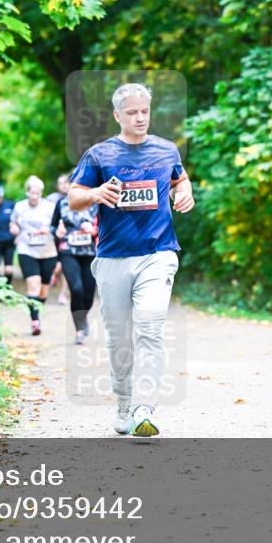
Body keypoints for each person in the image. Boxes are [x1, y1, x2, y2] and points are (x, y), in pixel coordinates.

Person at [69, 83, 195, 437]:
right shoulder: (99, 155)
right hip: (112, 258)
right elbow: (74, 197)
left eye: (145, 112)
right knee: (119, 338)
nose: (140, 118)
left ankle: (145, 407)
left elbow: (181, 180)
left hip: (158, 254)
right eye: (132, 113)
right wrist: (95, 193)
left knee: (151, 324)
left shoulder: (166, 150)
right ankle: (125, 401)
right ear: (117, 116)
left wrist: (184, 194)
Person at [10, 176, 58, 335]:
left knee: (44, 291)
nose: (35, 196)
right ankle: (35, 322)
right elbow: (13, 223)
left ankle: (37, 311)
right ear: (27, 192)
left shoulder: (50, 207)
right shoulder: (19, 207)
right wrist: (14, 228)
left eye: (38, 193)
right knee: (33, 285)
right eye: (32, 192)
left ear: (41, 193)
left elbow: (58, 226)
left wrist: (49, 230)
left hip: (48, 251)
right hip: (26, 249)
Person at [50, 192, 98, 344]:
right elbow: (52, 227)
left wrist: (94, 230)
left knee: (88, 294)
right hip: (68, 252)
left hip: (90, 252)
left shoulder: (96, 201)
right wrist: (57, 232)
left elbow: (106, 226)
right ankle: (79, 330)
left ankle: (83, 317)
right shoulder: (62, 203)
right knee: (76, 289)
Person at [46, 173, 72, 305]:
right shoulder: (51, 199)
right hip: (54, 238)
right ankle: (54, 275)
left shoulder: (76, 198)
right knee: (56, 267)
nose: (64, 185)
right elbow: (48, 221)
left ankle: (63, 294)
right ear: (57, 186)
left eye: (66, 182)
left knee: (65, 267)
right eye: (61, 183)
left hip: (70, 239)